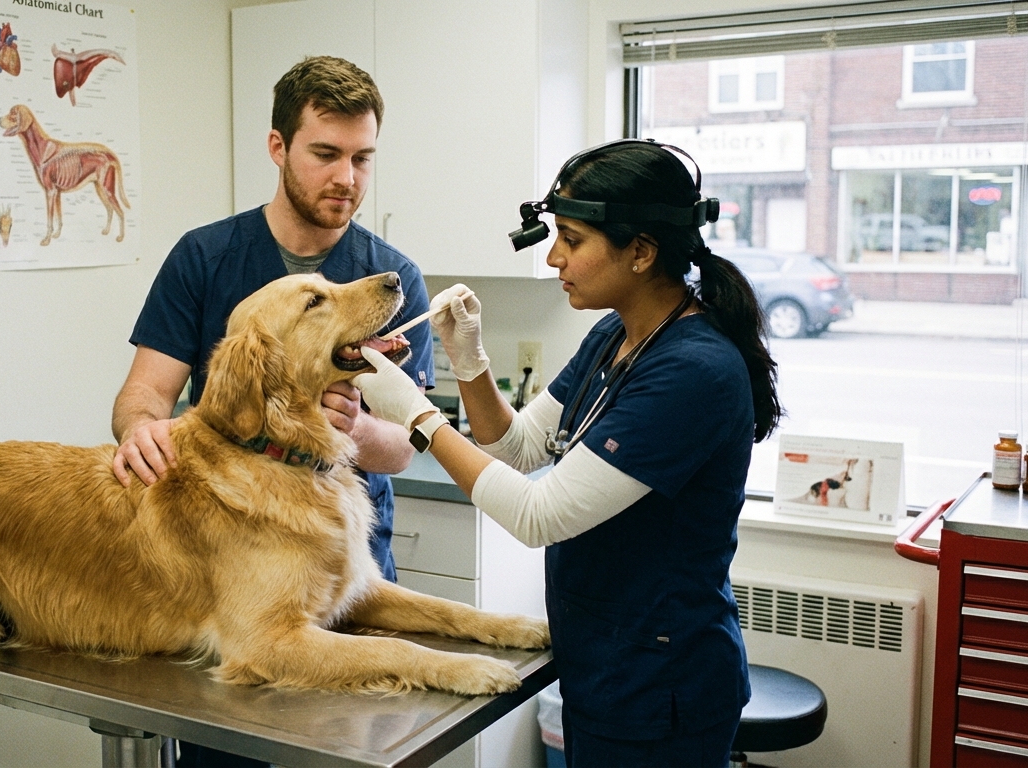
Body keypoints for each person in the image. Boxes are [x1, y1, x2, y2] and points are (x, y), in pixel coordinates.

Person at [353, 139, 782, 768]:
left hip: (660, 686)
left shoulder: (693, 371)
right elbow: (518, 447)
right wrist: (469, 360)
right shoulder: (618, 334)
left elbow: (539, 514)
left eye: (573, 241)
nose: (554, 257)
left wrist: (417, 418)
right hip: (603, 666)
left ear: (641, 251)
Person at [113, 56, 433, 767]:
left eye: (361, 158)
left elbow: (403, 447)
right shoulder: (204, 258)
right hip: (224, 564)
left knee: (348, 751)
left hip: (344, 570)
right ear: (277, 147)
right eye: (325, 155)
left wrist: (349, 424)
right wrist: (139, 429)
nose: (346, 178)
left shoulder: (392, 280)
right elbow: (144, 393)